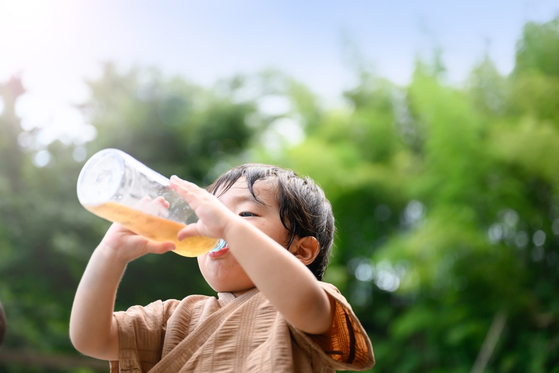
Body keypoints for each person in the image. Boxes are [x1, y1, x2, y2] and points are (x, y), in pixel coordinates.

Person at [70, 164, 374, 372]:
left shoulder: (304, 300)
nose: (216, 225)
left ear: (301, 251)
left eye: (245, 212)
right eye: (212, 212)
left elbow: (305, 302)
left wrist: (229, 226)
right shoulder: (174, 317)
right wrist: (110, 254)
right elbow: (91, 339)